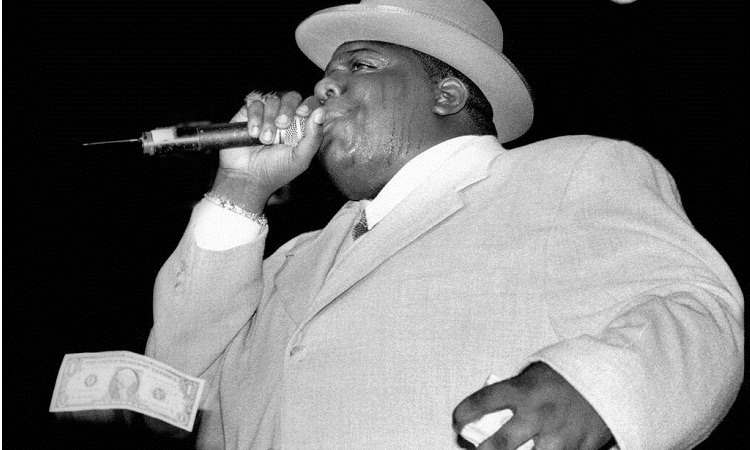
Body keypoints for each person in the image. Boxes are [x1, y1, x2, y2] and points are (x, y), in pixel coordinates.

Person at [145, 0, 744, 448]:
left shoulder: (565, 173)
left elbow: (697, 308)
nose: (322, 86)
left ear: (448, 95)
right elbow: (170, 399)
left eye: (360, 63)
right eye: (326, 73)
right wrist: (240, 189)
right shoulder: (289, 261)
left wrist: (598, 388)